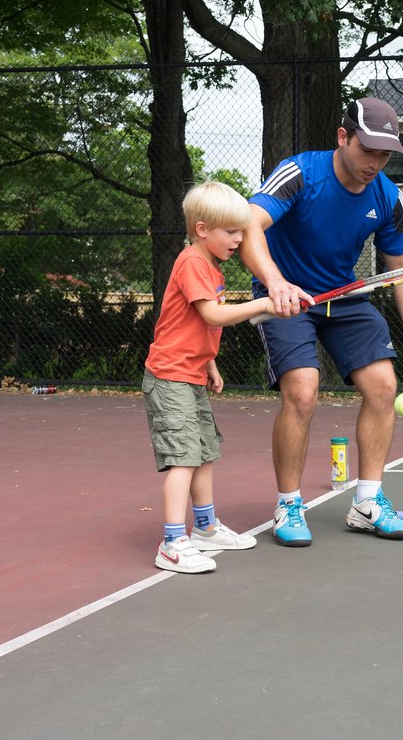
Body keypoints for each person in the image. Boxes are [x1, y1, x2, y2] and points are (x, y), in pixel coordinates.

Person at [242, 97, 403, 547]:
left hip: (344, 296)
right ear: (342, 136)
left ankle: (367, 502)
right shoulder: (300, 174)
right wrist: (275, 283)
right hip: (287, 296)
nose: (375, 162)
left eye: (384, 154)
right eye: (367, 149)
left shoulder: (388, 196)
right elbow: (248, 226)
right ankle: (289, 503)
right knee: (302, 388)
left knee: (384, 386)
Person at [144, 181, 288, 573]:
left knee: (204, 453)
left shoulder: (211, 267)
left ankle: (205, 528)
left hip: (190, 375)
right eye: (231, 232)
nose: (240, 240)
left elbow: (190, 325)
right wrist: (263, 303)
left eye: (242, 232)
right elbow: (212, 315)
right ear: (203, 229)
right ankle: (173, 542)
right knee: (183, 459)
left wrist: (209, 362)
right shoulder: (192, 262)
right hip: (170, 379)